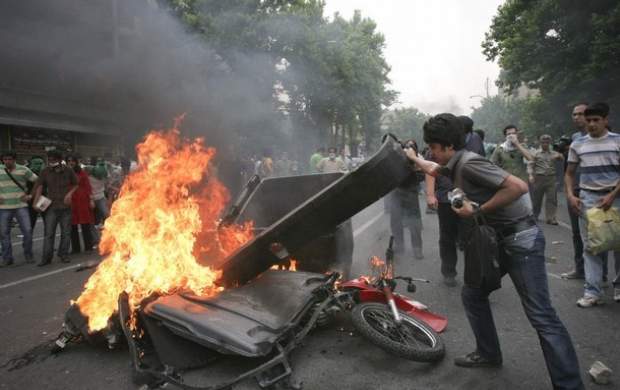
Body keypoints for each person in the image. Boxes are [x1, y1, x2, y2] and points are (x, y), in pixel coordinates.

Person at [406, 113, 583, 389]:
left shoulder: (470, 163)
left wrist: (477, 209)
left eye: (432, 148)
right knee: (473, 294)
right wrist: (414, 158)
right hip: (498, 239)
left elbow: (518, 187)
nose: (431, 152)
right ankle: (488, 353)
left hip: (520, 240)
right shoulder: (454, 162)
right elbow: (432, 168)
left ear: (445, 145)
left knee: (541, 316)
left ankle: (570, 385)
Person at [565, 102, 620, 306]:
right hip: (588, 199)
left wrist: (613, 195)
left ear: (606, 120)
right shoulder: (578, 144)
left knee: (618, 244)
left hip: (615, 199)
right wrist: (571, 195)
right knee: (591, 246)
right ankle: (592, 292)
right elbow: (569, 174)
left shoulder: (617, 141)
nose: (591, 124)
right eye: (588, 121)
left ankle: (618, 287)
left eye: (596, 120)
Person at [425, 116, 486, 287]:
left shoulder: (475, 142)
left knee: (471, 238)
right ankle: (449, 272)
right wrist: (430, 194)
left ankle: (474, 275)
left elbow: (482, 167)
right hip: (445, 197)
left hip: (468, 198)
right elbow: (429, 169)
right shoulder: (440, 144)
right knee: (447, 237)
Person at [33, 150, 78, 265]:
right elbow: (40, 186)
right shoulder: (45, 171)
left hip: (65, 207)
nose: (51, 162)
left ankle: (64, 254)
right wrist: (36, 201)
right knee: (49, 233)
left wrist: (70, 194)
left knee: (66, 232)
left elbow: (76, 184)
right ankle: (46, 258)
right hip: (51, 206)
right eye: (49, 159)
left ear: (59, 160)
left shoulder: (68, 170)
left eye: (53, 160)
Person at [561, 103, 591, 279]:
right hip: (576, 191)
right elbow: (569, 170)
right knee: (577, 233)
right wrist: (569, 192)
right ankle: (580, 269)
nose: (577, 117)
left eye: (582, 113)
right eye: (574, 114)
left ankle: (602, 275)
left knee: (601, 233)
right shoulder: (574, 138)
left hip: (597, 193)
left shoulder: (606, 137)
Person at [386, 140, 424, 260]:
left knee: (415, 222)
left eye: (412, 145)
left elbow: (422, 175)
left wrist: (413, 167)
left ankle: (417, 249)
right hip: (396, 193)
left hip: (411, 193)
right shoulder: (394, 158)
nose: (409, 148)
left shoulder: (418, 158)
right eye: (407, 145)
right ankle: (399, 246)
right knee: (396, 222)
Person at [0, 150, 38, 265]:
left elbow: (38, 181)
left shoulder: (24, 170)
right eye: (5, 159)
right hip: (3, 206)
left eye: (9, 159)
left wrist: (30, 195)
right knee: (4, 233)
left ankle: (28, 254)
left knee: (27, 231)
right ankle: (7, 258)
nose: (7, 161)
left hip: (21, 205)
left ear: (14, 159)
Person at [528, 135, 564, 224]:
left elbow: (562, 159)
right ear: (540, 143)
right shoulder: (535, 153)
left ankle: (551, 218)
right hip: (539, 178)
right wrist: (530, 175)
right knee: (537, 198)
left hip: (551, 178)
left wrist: (560, 156)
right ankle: (535, 215)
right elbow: (530, 165)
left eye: (547, 142)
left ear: (549, 143)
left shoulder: (554, 153)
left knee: (552, 198)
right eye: (543, 142)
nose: (545, 144)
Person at [66, 155, 96, 254]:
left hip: (82, 201)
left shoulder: (82, 173)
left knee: (85, 225)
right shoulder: (64, 173)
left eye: (72, 160)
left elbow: (88, 187)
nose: (71, 162)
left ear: (76, 162)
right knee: (72, 226)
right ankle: (76, 248)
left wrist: (91, 200)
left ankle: (88, 247)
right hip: (71, 201)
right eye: (68, 161)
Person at [26, 156, 46, 230]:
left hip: (37, 198)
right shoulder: (28, 173)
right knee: (45, 221)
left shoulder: (27, 171)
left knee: (32, 221)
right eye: (36, 163)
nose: (38, 165)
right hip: (39, 198)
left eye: (40, 163)